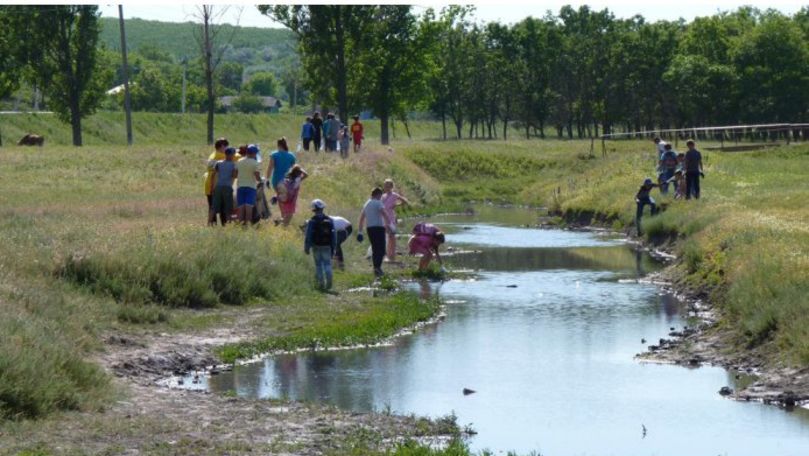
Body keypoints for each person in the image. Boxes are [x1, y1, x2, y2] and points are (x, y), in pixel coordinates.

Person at [357, 187, 392, 277]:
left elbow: (361, 218)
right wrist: (391, 225)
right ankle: (377, 268)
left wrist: (360, 232)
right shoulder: (378, 202)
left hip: (370, 229)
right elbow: (384, 213)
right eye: (380, 196)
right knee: (381, 250)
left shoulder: (367, 204)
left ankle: (376, 268)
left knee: (375, 248)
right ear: (378, 194)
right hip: (379, 228)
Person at [304, 199, 337, 291]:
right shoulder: (329, 220)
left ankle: (321, 284)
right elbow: (334, 235)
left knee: (318, 265)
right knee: (327, 264)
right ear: (323, 208)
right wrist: (334, 247)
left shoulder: (312, 221)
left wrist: (307, 247)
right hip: (327, 246)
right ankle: (329, 282)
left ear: (314, 210)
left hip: (316, 246)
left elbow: (308, 235)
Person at [381, 179, 411, 262]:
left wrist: (396, 205)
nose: (386, 187)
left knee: (391, 237)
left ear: (391, 186)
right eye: (385, 185)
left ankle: (391, 256)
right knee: (387, 237)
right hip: (383, 218)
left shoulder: (394, 195)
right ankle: (389, 255)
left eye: (388, 185)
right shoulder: (383, 196)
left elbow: (405, 201)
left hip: (390, 218)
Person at [204, 137, 229, 225]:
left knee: (212, 206)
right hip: (216, 184)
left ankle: (212, 224)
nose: (227, 149)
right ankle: (224, 224)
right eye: (226, 146)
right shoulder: (221, 156)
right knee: (223, 206)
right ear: (222, 146)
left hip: (209, 183)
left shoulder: (213, 154)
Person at [236, 144, 261, 225]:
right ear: (254, 154)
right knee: (249, 207)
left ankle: (240, 224)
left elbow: (235, 174)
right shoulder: (255, 163)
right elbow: (257, 177)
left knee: (241, 207)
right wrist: (261, 180)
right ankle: (248, 225)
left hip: (240, 186)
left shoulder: (239, 161)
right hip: (251, 187)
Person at [212, 147, 238, 226]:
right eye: (233, 154)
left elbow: (215, 176)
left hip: (218, 187)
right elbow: (234, 176)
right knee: (228, 208)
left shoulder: (218, 163)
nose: (234, 155)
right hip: (227, 187)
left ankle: (210, 223)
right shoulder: (233, 164)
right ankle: (228, 224)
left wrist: (213, 187)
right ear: (231, 155)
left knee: (214, 207)